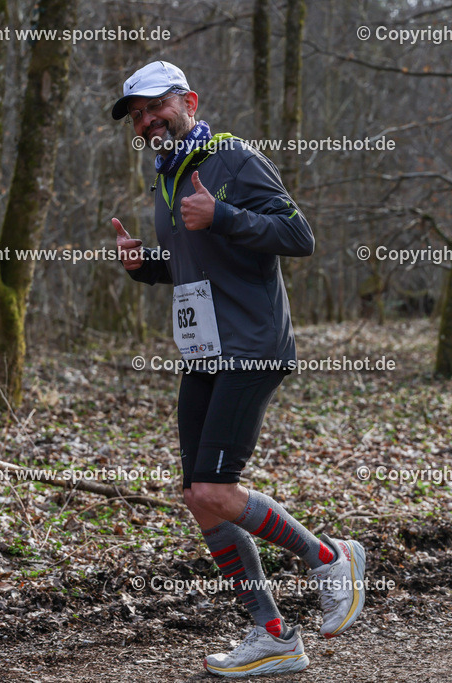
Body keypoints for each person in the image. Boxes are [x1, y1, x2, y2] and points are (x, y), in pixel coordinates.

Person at [110, 61, 367, 678]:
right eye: (137, 116)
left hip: (251, 345)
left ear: (189, 101)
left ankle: (330, 557)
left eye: (156, 107)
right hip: (204, 351)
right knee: (199, 501)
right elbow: (196, 263)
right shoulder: (165, 176)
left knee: (213, 490)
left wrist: (223, 216)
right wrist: (147, 265)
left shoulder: (232, 158)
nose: (148, 122)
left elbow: (298, 235)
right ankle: (272, 634)